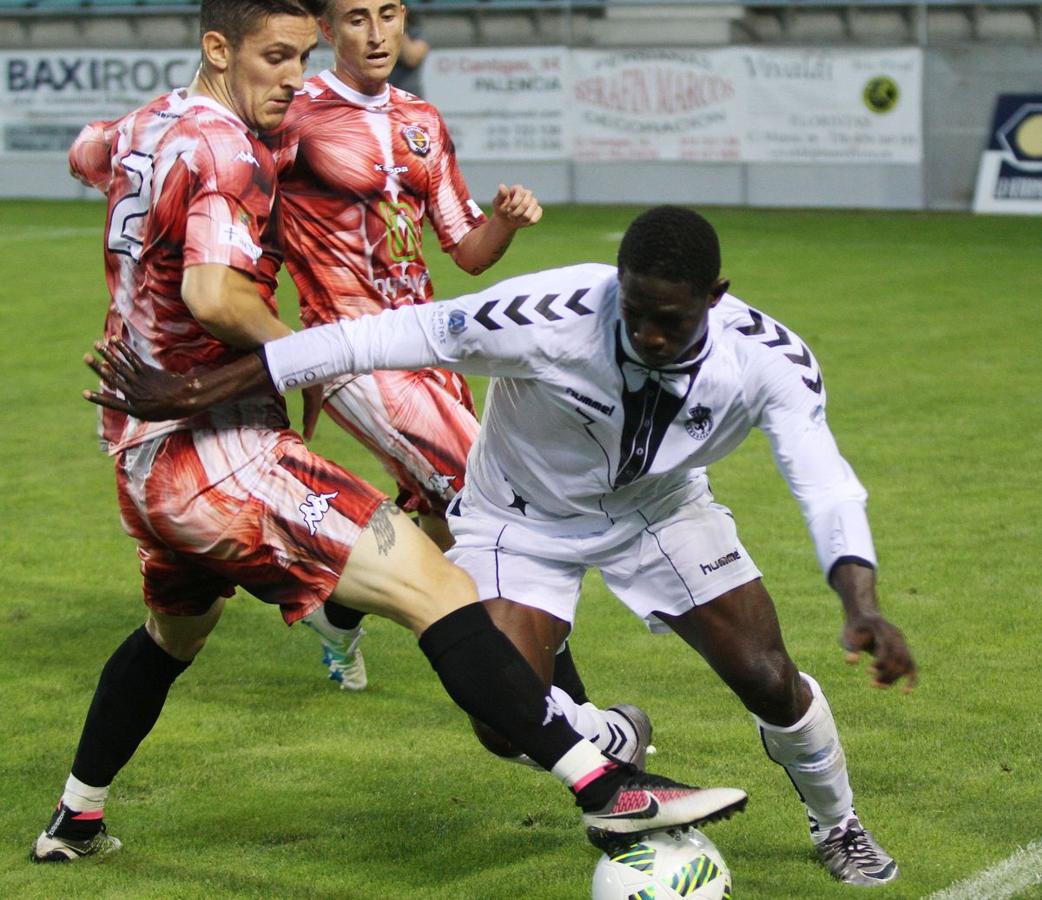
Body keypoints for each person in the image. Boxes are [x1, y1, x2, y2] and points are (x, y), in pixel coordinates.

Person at [30, 5, 747, 863]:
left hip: (143, 461)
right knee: (436, 585)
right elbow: (214, 296)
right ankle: (606, 784)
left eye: (300, 57)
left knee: (172, 637)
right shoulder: (226, 147)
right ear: (218, 50)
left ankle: (75, 819)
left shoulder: (147, 123)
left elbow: (86, 152)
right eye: (277, 56)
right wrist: (312, 353)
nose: (295, 78)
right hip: (221, 456)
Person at [90, 205, 918, 887]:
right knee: (501, 717)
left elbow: (825, 481)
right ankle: (604, 737)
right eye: (633, 312)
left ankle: (838, 823)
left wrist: (864, 604)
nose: (648, 336)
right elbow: (361, 342)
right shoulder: (546, 318)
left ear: (715, 297)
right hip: (519, 518)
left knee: (768, 678)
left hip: (661, 511)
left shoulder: (769, 360)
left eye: (670, 321)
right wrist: (194, 390)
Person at [261, 0, 544, 692]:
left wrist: (505, 223)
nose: (378, 31)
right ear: (326, 32)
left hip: (429, 343)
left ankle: (337, 608)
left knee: (439, 518)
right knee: (483, 492)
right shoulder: (291, 116)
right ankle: (547, 699)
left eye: (389, 13)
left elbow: (468, 251)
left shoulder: (422, 120)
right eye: (356, 18)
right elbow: (246, 221)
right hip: (350, 350)